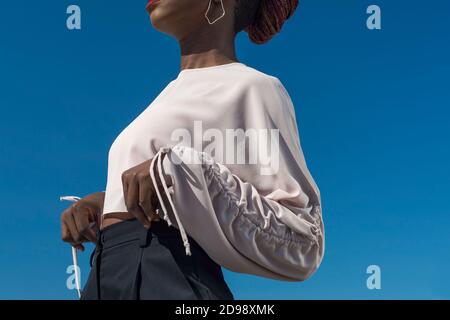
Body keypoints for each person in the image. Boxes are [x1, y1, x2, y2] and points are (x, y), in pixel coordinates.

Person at [60, 0, 325, 300]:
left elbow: (304, 243)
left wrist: (179, 168)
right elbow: (171, 189)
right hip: (105, 273)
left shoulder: (253, 87)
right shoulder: (166, 96)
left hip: (167, 276)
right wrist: (108, 204)